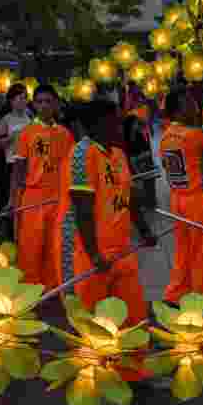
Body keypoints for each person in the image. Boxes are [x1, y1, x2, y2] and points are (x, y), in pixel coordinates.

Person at [53, 100, 157, 333]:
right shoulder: (81, 155)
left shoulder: (118, 153)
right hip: (86, 251)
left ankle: (132, 368)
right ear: (97, 124)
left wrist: (144, 230)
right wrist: (94, 254)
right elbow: (83, 209)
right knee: (94, 324)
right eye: (115, 121)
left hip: (119, 247)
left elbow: (128, 196)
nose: (120, 126)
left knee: (134, 317)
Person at [159, 89, 203, 303]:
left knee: (183, 251)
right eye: (190, 102)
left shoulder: (166, 135)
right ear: (179, 109)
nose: (195, 106)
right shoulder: (196, 136)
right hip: (199, 201)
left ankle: (177, 294)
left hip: (177, 199)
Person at [12, 85, 74, 290]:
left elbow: (72, 169)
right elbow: (19, 170)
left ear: (56, 104)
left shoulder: (65, 134)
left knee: (55, 243)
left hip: (59, 197)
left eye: (48, 101)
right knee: (31, 245)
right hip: (33, 197)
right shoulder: (26, 133)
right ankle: (30, 289)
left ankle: (52, 287)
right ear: (34, 105)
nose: (44, 106)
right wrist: (14, 200)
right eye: (39, 102)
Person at [0, 83, 33, 161]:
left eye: (25, 98)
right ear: (11, 100)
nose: (24, 101)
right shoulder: (5, 120)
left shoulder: (30, 118)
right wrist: (11, 137)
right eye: (20, 98)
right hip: (12, 163)